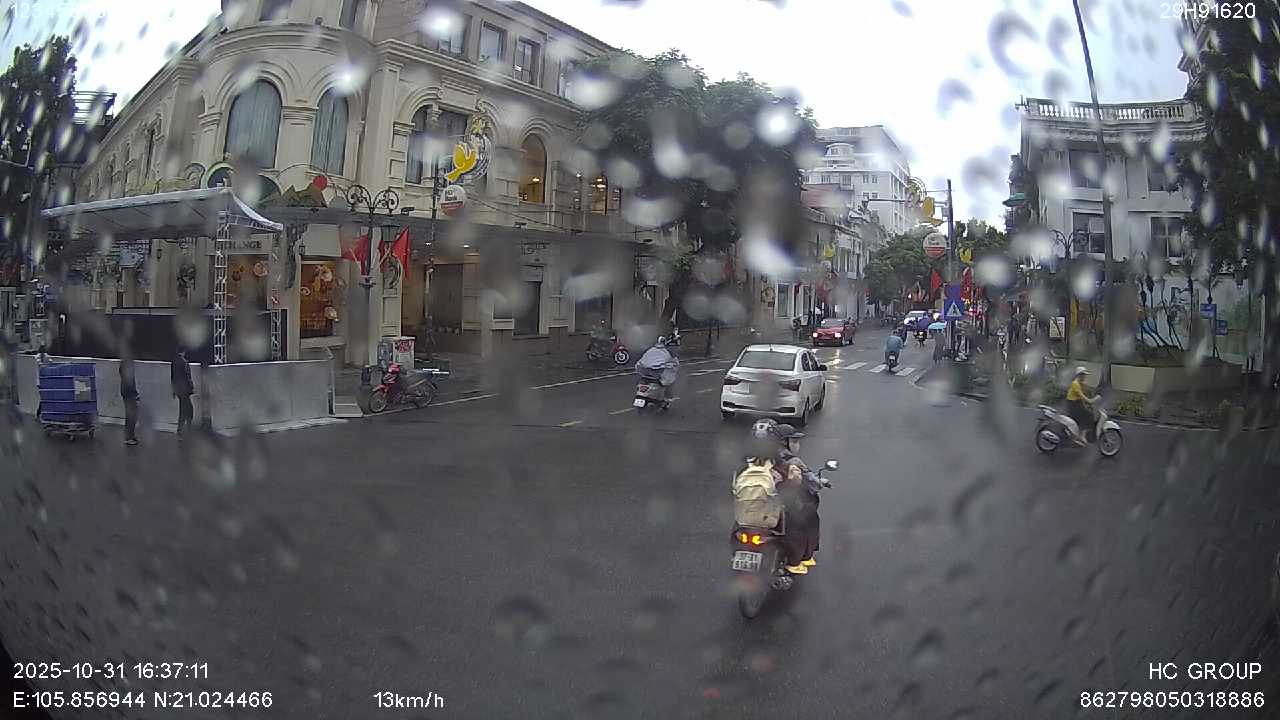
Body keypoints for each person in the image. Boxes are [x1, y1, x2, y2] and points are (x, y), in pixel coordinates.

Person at [771, 423, 822, 571]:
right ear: (784, 442)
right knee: (805, 520)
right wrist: (820, 483)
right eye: (794, 440)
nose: (797, 444)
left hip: (760, 504)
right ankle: (796, 561)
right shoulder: (794, 462)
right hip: (785, 505)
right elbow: (812, 482)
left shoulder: (758, 458)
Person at [635, 335, 679, 405]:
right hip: (657, 372)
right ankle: (667, 398)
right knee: (670, 379)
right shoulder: (667, 351)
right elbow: (674, 364)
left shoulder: (651, 349)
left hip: (644, 370)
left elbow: (641, 360)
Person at [1065, 366, 1099, 446]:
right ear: (1080, 375)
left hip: (1077, 405)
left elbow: (1084, 397)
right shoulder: (1075, 384)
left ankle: (1079, 434)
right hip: (1073, 406)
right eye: (1084, 375)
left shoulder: (1079, 384)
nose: (1085, 377)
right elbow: (1085, 399)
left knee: (1087, 412)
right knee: (1090, 416)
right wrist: (1095, 399)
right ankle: (1082, 436)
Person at [170, 347, 194, 437]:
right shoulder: (184, 362)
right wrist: (191, 387)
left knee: (183, 409)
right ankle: (186, 429)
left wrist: (174, 390)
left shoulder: (174, 361)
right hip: (185, 389)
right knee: (188, 410)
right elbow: (187, 376)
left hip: (178, 389)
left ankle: (182, 429)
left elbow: (172, 376)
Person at [119, 356, 140, 446]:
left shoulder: (124, 364)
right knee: (132, 415)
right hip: (129, 393)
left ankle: (130, 436)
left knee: (130, 415)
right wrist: (135, 394)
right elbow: (130, 382)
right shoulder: (128, 364)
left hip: (125, 391)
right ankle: (129, 437)